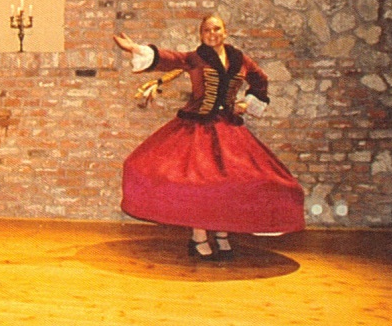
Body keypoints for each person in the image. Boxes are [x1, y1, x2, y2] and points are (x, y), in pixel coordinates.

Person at [114, 14, 305, 259]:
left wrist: (247, 103)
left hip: (228, 129)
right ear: (201, 35)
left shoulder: (240, 59)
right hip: (196, 128)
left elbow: (260, 80)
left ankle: (222, 234)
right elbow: (170, 58)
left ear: (225, 32)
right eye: (206, 30)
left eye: (216, 29)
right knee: (198, 183)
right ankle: (199, 238)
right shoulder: (196, 58)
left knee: (229, 183)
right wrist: (136, 48)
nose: (212, 34)